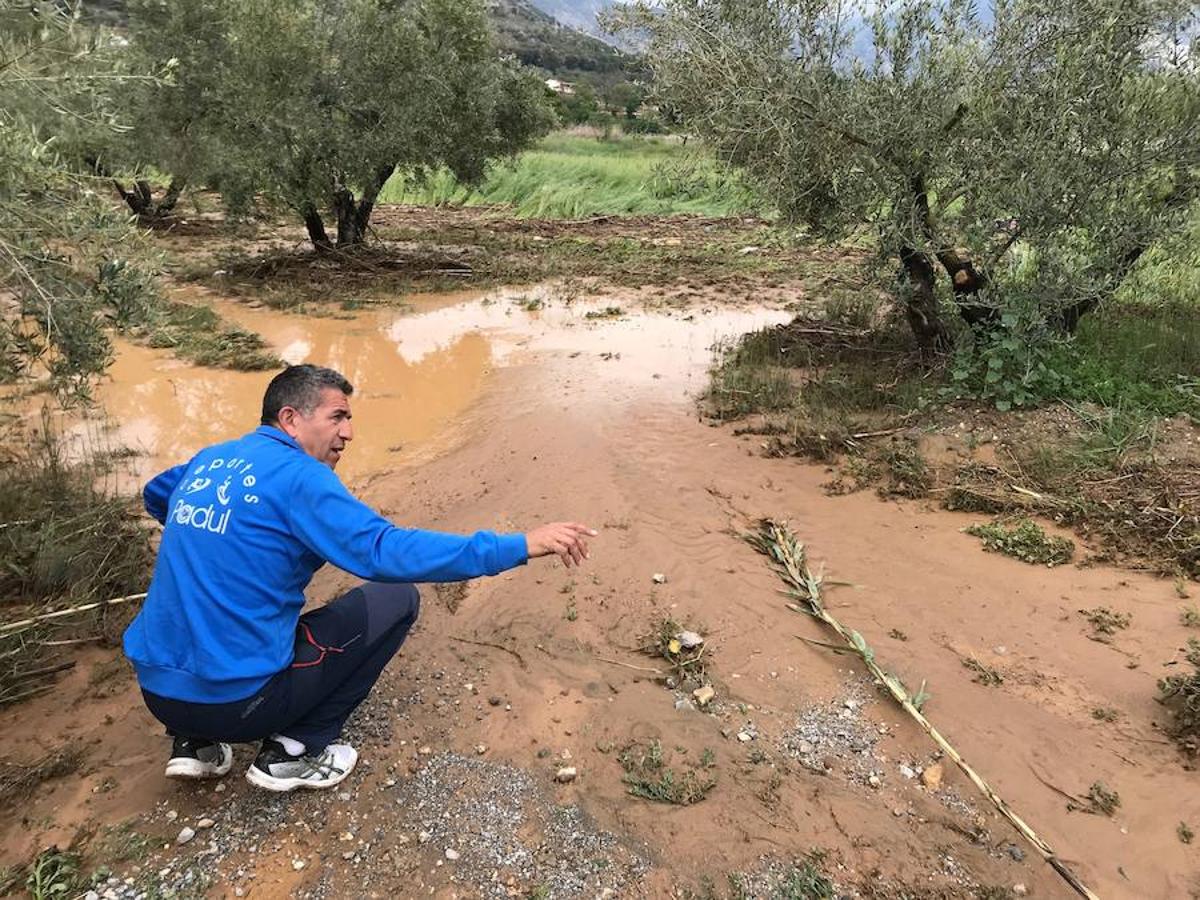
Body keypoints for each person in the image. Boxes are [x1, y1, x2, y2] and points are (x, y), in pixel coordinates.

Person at [123, 364, 594, 792]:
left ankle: (195, 745)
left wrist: (220, 533)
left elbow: (156, 493)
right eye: (337, 417)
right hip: (241, 705)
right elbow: (385, 552)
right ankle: (296, 750)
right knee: (396, 598)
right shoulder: (301, 477)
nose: (349, 432)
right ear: (290, 419)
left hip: (158, 696)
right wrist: (520, 545)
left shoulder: (211, 460)